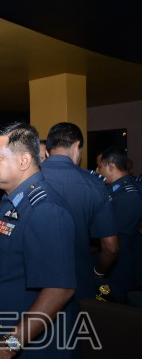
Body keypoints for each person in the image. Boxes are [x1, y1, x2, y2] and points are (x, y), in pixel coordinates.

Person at [0, 122, 77, 359]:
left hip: (27, 354)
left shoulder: (45, 209)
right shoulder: (13, 199)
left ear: (24, 160)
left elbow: (60, 289)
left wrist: (8, 346)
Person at [41, 122, 119, 303]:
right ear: (77, 146)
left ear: (48, 150)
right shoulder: (94, 184)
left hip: (34, 278)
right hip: (77, 279)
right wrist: (98, 272)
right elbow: (111, 247)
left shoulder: (27, 178)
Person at [96, 147, 142, 303]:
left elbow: (115, 238)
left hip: (118, 265)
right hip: (108, 260)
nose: (98, 170)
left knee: (115, 308)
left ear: (111, 166)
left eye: (100, 166)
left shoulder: (129, 195)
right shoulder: (113, 188)